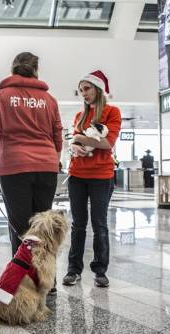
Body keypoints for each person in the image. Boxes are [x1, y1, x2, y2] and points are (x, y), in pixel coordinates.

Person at [0, 51, 63, 258]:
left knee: (21, 229)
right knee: (44, 228)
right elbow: (58, 137)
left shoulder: (0, 97)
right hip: (47, 168)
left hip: (15, 168)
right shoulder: (49, 100)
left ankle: (23, 281)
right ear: (36, 70)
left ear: (13, 69)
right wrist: (52, 163)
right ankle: (47, 282)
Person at [62, 70, 121, 288]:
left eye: (86, 88)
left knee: (100, 224)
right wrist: (75, 146)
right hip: (77, 175)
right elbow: (75, 143)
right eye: (80, 90)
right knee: (78, 225)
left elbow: (108, 144)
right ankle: (73, 270)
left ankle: (100, 271)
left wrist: (78, 137)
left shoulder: (112, 112)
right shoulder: (80, 116)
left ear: (98, 89)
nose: (83, 93)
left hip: (101, 176)